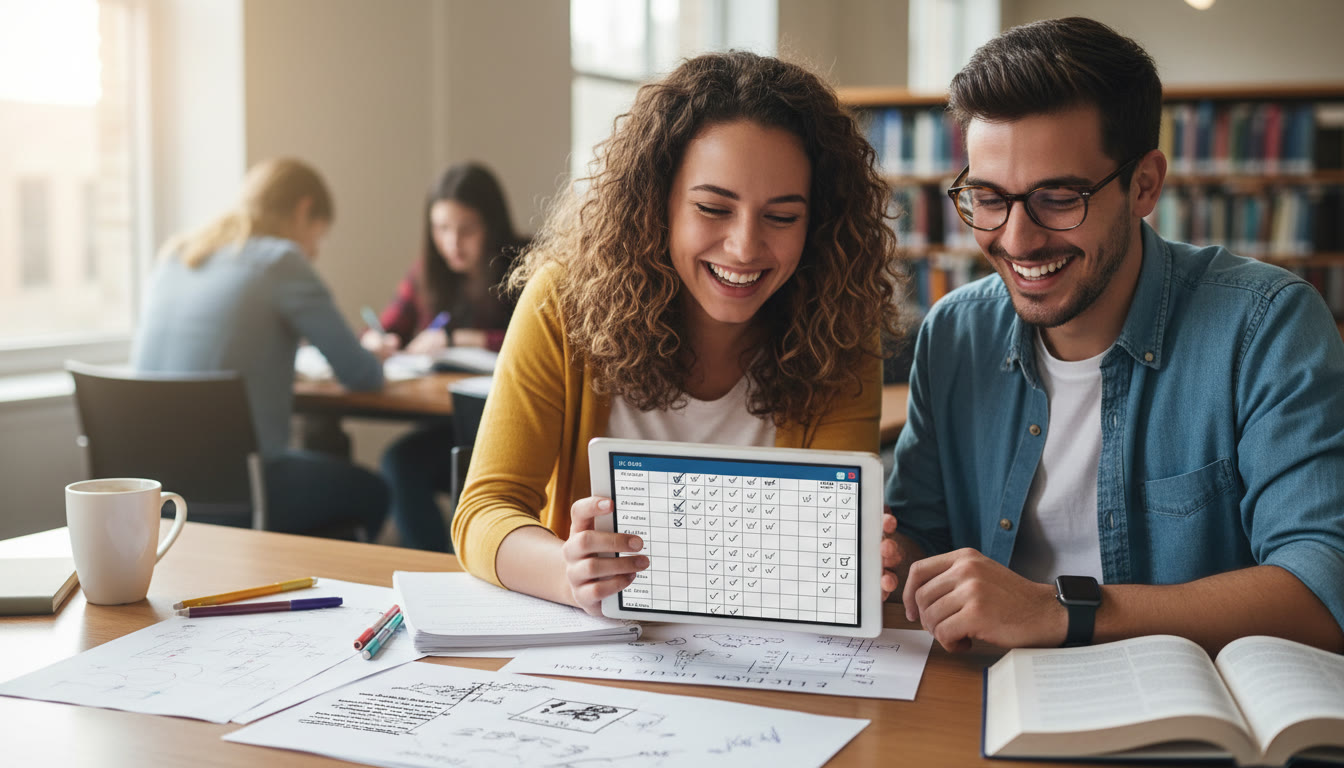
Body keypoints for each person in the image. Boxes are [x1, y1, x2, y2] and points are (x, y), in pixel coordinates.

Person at [883, 17, 1344, 654]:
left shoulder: (1265, 326)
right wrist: (891, 556)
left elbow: (1323, 592)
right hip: (991, 700)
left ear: (1144, 186)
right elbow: (921, 539)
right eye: (988, 198)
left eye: (1057, 198)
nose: (1016, 240)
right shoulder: (954, 333)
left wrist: (1060, 610)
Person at [452, 50, 905, 613]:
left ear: (817, 223)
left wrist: (852, 558)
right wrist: (566, 574)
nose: (744, 247)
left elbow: (826, 551)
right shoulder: (563, 303)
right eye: (714, 208)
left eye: (782, 217)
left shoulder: (839, 327)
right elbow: (485, 512)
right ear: (656, 203)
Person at [133, 157, 390, 540]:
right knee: (374, 491)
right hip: (242, 489)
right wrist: (375, 352)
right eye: (317, 236)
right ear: (304, 209)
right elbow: (361, 374)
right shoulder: (280, 261)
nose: (314, 252)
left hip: (155, 489)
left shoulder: (177, 254)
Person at [362, 163, 523, 551]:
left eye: (466, 230)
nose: (453, 243)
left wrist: (459, 337)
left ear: (492, 225)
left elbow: (543, 337)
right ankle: (431, 566)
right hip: (447, 422)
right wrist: (375, 342)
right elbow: (387, 329)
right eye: (441, 229)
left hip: (511, 426)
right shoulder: (427, 273)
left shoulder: (526, 263)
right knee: (399, 464)